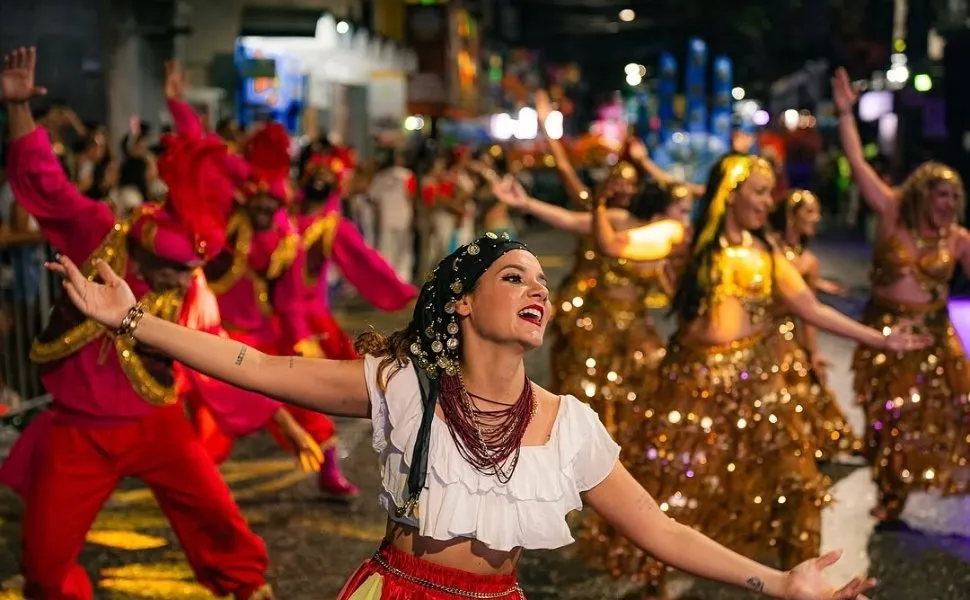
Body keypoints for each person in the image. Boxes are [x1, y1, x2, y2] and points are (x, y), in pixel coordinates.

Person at [48, 225, 877, 599]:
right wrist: (132, 318)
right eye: (514, 276)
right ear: (460, 304)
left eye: (538, 280)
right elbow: (257, 364)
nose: (537, 289)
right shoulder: (401, 383)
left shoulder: (570, 423)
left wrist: (779, 584)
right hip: (399, 592)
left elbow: (661, 530)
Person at [582, 152, 928, 593]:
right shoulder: (684, 238)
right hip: (693, 387)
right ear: (731, 193)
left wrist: (878, 339)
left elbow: (810, 307)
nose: (769, 203)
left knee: (798, 487)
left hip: (758, 385)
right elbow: (614, 246)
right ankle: (654, 586)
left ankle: (804, 585)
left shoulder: (767, 252)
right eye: (760, 192)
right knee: (668, 494)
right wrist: (597, 205)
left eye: (771, 193)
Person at [0, 47, 273, 599]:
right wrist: (18, 108)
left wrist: (276, 405)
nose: (182, 281)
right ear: (149, 250)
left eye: (191, 271)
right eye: (176, 270)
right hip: (79, 431)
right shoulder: (99, 232)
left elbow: (210, 344)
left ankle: (246, 589)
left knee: (221, 523)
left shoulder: (187, 281)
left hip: (157, 423)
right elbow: (46, 182)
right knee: (45, 567)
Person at [833, 66, 970, 523]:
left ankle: (940, 476)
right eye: (940, 195)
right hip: (884, 328)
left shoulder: (959, 239)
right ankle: (889, 492)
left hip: (934, 335)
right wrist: (845, 115)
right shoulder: (892, 213)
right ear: (921, 195)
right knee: (886, 416)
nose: (948, 204)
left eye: (954, 196)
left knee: (952, 410)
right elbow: (857, 164)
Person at [768, 190, 859, 462]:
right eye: (809, 211)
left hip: (786, 336)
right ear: (791, 216)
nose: (816, 218)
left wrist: (814, 351)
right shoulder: (766, 249)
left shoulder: (809, 262)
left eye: (817, 211)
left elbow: (809, 312)